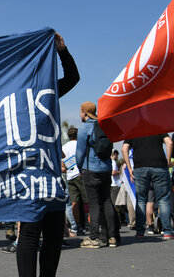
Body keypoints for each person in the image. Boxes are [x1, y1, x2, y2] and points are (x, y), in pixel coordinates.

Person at [15, 32, 79, 277]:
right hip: (27, 173)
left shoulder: (47, 92)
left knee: (54, 232)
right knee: (30, 232)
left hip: (50, 171)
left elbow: (73, 78)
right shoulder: (10, 96)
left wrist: (63, 51)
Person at [75, 101, 120, 248]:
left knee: (94, 203)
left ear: (84, 112)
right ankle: (112, 237)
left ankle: (93, 238)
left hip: (91, 169)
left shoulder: (84, 128)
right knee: (107, 200)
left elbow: (80, 153)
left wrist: (80, 168)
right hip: (106, 169)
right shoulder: (105, 125)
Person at [122, 134, 173, 240]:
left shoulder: (133, 130)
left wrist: (129, 167)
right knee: (163, 199)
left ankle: (140, 231)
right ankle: (167, 231)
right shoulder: (157, 128)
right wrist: (167, 161)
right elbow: (169, 142)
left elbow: (124, 148)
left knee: (141, 200)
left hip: (140, 167)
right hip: (159, 166)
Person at [62, 127, 87, 235]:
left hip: (69, 176)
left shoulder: (64, 147)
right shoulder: (80, 145)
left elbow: (62, 165)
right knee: (89, 200)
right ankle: (94, 223)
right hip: (80, 174)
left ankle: (76, 226)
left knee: (74, 202)